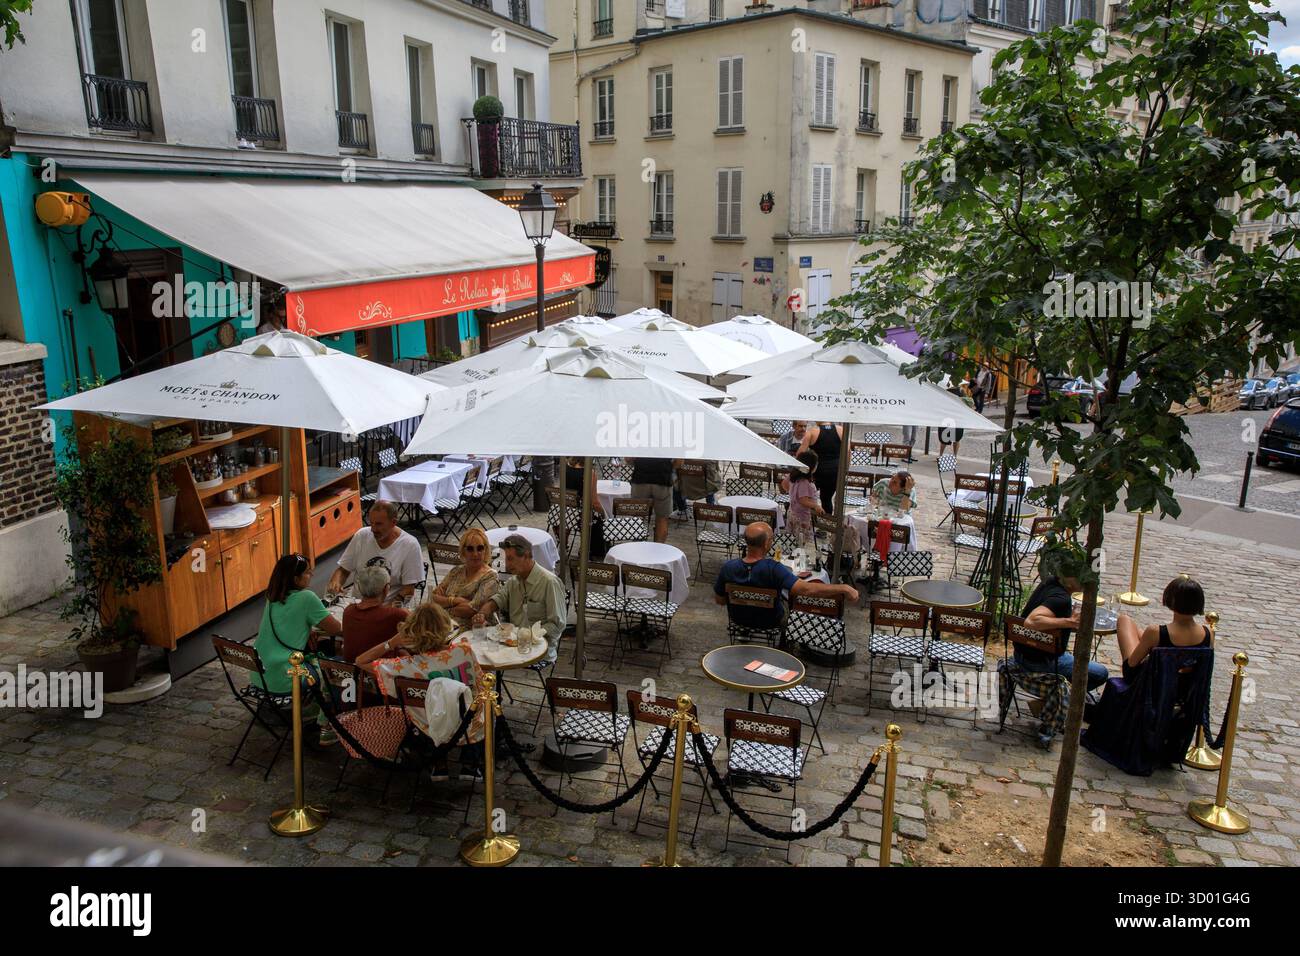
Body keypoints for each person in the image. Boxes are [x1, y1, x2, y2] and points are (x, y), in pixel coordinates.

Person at [356, 602, 483, 781]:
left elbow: (360, 661)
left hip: (431, 726)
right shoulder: (464, 651)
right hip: (468, 725)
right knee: (479, 703)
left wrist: (391, 643)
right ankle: (471, 762)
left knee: (432, 711)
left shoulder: (406, 666)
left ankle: (438, 763)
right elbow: (480, 683)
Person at [1018, 546, 1110, 742]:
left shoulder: (1049, 582)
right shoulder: (1060, 598)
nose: (1085, 581)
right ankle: (1055, 703)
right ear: (1069, 579)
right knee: (1100, 673)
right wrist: (1069, 622)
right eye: (1080, 577)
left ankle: (1047, 702)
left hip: (1024, 652)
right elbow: (1032, 621)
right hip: (1041, 662)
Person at [252, 553, 342, 744]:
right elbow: (336, 628)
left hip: (260, 675)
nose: (311, 576)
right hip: (286, 677)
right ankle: (324, 722)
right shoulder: (307, 598)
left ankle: (310, 710)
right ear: (296, 579)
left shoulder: (273, 595)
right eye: (308, 573)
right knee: (332, 670)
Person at [713, 522, 858, 628]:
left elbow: (720, 600)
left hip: (739, 618)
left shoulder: (728, 567)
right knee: (794, 605)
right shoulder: (773, 569)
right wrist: (844, 588)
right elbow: (806, 590)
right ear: (766, 544)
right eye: (771, 539)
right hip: (770, 621)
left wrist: (745, 598)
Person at [472, 534, 567, 664]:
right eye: (505, 559)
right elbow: (498, 599)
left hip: (539, 651)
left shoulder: (549, 582)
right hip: (511, 647)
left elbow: (557, 625)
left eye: (511, 559)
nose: (507, 565)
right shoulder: (514, 581)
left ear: (527, 556)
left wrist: (529, 636)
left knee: (486, 659)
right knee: (479, 655)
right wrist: (482, 614)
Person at [1115, 576, 1212, 682]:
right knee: (1142, 633)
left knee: (1124, 620)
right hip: (1186, 688)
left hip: (1153, 686)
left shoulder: (1155, 632)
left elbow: (1131, 666)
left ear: (1170, 599)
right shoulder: (1209, 634)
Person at [326, 501, 425, 603]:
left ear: (393, 522)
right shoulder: (362, 535)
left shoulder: (410, 545)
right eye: (371, 523)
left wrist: (383, 612)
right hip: (359, 605)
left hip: (388, 609)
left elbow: (408, 590)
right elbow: (343, 570)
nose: (373, 529)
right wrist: (336, 583)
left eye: (378, 524)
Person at [428, 528, 500, 622]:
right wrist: (455, 601)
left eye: (480, 548)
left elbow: (471, 610)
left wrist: (444, 606)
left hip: (473, 628)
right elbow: (433, 597)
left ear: (485, 550)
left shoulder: (490, 576)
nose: (475, 554)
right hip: (446, 624)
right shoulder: (456, 571)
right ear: (463, 551)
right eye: (470, 549)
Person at [340, 565, 408, 663]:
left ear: (359, 588)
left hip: (350, 670)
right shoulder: (395, 615)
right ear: (386, 589)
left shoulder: (348, 611)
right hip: (377, 672)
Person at [797, 422, 844, 514]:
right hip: (834, 471)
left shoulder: (812, 432)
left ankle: (811, 521)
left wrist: (801, 470)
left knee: (809, 498)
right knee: (826, 499)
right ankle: (826, 524)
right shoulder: (841, 430)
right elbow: (848, 452)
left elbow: (800, 454)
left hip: (816, 470)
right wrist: (844, 470)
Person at [780, 451, 823, 544]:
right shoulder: (804, 482)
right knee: (800, 540)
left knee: (792, 538)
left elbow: (784, 484)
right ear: (810, 466)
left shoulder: (793, 475)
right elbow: (803, 500)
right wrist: (816, 506)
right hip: (802, 516)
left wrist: (792, 492)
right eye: (816, 463)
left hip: (792, 512)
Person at [629, 456, 673, 543]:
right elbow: (679, 462)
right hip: (663, 479)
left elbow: (628, 458)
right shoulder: (671, 441)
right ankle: (658, 550)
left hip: (640, 479)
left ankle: (637, 549)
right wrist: (667, 467)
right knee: (662, 519)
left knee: (638, 518)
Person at [938, 384, 975, 457]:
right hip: (947, 417)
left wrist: (960, 399)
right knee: (944, 437)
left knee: (956, 438)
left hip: (957, 417)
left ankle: (955, 456)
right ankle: (941, 455)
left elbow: (970, 402)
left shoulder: (961, 390)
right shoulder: (946, 389)